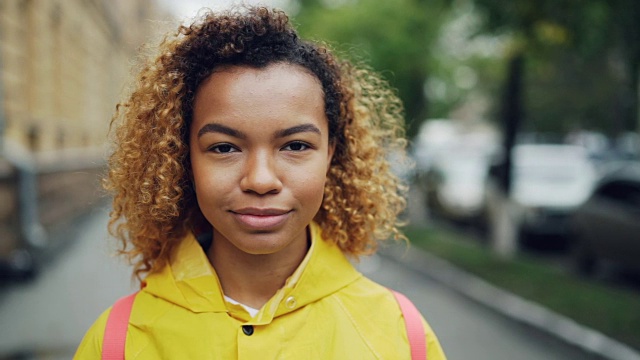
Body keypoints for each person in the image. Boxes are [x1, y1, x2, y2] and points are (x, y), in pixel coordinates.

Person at [75, 6, 447, 359]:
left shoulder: (402, 336)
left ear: (331, 153)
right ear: (182, 155)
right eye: (224, 147)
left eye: (296, 145)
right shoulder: (116, 343)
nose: (261, 180)